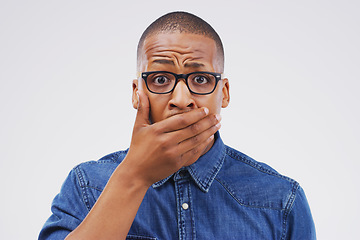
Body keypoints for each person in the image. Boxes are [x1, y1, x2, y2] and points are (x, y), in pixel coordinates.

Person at [39, 11, 316, 240]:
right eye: (160, 79)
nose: (181, 100)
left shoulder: (281, 200)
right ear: (137, 92)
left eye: (200, 79)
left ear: (225, 93)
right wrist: (134, 176)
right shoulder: (88, 186)